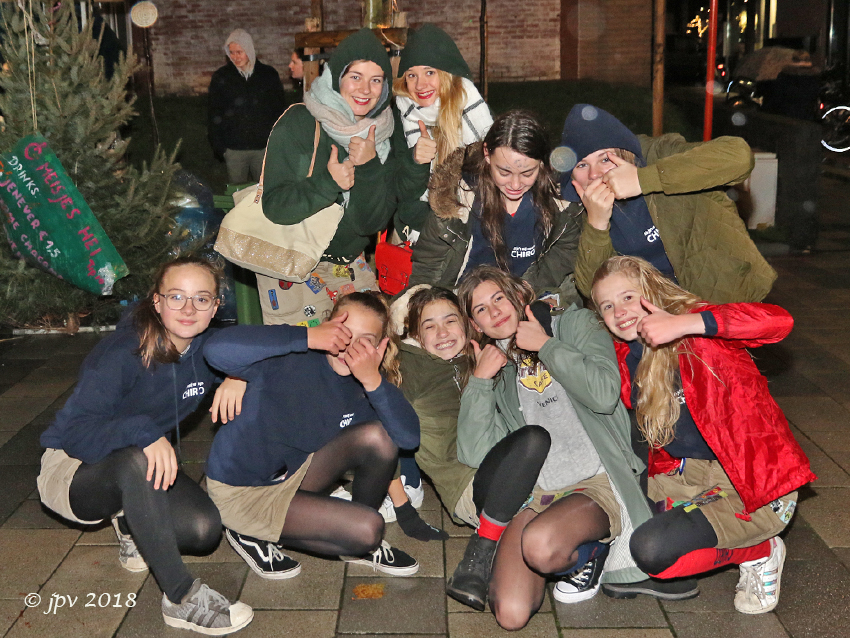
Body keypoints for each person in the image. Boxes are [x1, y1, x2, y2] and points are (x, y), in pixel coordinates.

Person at [37, 256, 254, 635]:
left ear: (216, 306)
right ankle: (181, 598)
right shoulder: (122, 351)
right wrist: (145, 431)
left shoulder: (208, 349)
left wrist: (240, 373)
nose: (189, 309)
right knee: (137, 458)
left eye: (202, 299)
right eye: (176, 297)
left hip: (138, 462)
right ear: (157, 301)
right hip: (72, 470)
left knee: (203, 530)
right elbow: (75, 433)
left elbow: (270, 354)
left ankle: (129, 518)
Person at [590, 256, 816, 614]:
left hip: (754, 484)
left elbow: (778, 322)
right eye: (607, 306)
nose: (619, 312)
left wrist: (686, 323)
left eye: (628, 297)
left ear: (651, 290)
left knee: (652, 550)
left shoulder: (699, 331)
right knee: (600, 514)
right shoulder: (621, 356)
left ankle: (761, 551)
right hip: (685, 478)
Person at [455, 265, 657, 630]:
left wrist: (546, 346)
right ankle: (566, 546)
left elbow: (603, 393)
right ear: (475, 325)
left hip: (594, 483)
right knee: (511, 615)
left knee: (541, 545)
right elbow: (476, 453)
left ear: (518, 295)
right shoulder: (497, 367)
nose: (495, 311)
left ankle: (589, 551)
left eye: (499, 298)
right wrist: (480, 382)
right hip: (536, 493)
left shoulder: (573, 324)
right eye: (481, 309)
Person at [203, 293, 421, 579]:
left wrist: (373, 381)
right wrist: (306, 336)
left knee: (380, 437)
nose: (350, 347)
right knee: (368, 530)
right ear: (328, 326)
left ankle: (350, 529)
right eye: (344, 332)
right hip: (242, 491)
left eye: (365, 340)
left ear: (381, 347)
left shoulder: (365, 384)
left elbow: (408, 439)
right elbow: (215, 350)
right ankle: (248, 531)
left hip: (295, 477)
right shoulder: (290, 357)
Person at [390, 285, 550, 610]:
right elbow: (383, 434)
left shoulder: (480, 353)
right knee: (533, 439)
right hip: (472, 488)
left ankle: (494, 555)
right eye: (429, 326)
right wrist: (404, 509)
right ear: (416, 336)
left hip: (526, 478)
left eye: (450, 321)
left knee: (514, 609)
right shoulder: (409, 370)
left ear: (466, 324)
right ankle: (481, 549)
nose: (442, 333)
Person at [556, 103, 776, 304]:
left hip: (726, 300)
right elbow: (592, 289)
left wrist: (644, 180)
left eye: (605, 159)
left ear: (624, 152)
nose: (594, 174)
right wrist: (596, 224)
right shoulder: (579, 210)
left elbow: (739, 156)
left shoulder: (657, 155)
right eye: (582, 165)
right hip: (653, 318)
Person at [257, 28, 396, 326]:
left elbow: (369, 225)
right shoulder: (299, 123)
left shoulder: (384, 135)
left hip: (349, 264)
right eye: (355, 76)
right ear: (336, 77)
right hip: (293, 267)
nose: (365, 89)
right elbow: (276, 207)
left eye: (376, 80)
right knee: (304, 355)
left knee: (372, 342)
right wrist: (328, 184)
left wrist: (369, 167)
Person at [408, 110, 581, 304]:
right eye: (504, 172)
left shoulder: (560, 203)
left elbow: (566, 250)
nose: (515, 184)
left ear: (541, 162)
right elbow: (426, 267)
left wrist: (527, 288)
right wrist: (427, 306)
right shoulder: (456, 198)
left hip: (522, 302)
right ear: (487, 154)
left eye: (527, 173)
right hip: (461, 303)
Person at [391, 22, 493, 241]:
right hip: (418, 231)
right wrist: (415, 162)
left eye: (429, 72)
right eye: (411, 75)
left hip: (473, 226)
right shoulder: (402, 117)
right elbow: (401, 199)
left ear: (447, 74)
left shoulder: (474, 112)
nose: (420, 85)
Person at [208, 29, 287, 184]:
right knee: (239, 193)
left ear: (249, 50)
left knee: (264, 190)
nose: (235, 57)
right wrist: (219, 147)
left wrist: (276, 142)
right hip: (234, 149)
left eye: (239, 52)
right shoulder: (221, 77)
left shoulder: (268, 75)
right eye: (231, 53)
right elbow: (214, 112)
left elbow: (278, 110)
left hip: (263, 148)